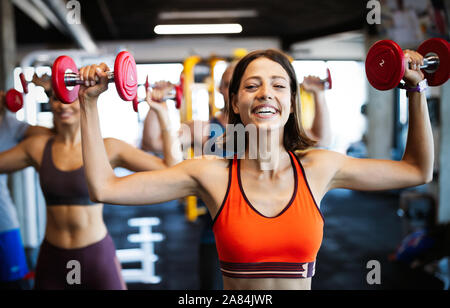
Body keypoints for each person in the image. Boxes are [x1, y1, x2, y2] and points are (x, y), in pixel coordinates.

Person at [78, 48, 433, 290]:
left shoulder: (320, 167)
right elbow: (105, 188)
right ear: (235, 102)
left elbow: (417, 170)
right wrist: (88, 103)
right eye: (252, 86)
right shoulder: (211, 174)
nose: (265, 93)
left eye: (279, 85)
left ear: (292, 103)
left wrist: (416, 90)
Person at [0, 82, 181, 289]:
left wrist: (162, 113)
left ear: (84, 100)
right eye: (57, 99)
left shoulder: (109, 147)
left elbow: (171, 169)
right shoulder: (37, 147)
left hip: (95, 256)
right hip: (53, 257)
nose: (63, 106)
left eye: (71, 99)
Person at [0, 84, 53, 289]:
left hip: (3, 224)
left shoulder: (9, 124)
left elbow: (56, 133)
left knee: (14, 285)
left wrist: (51, 92)